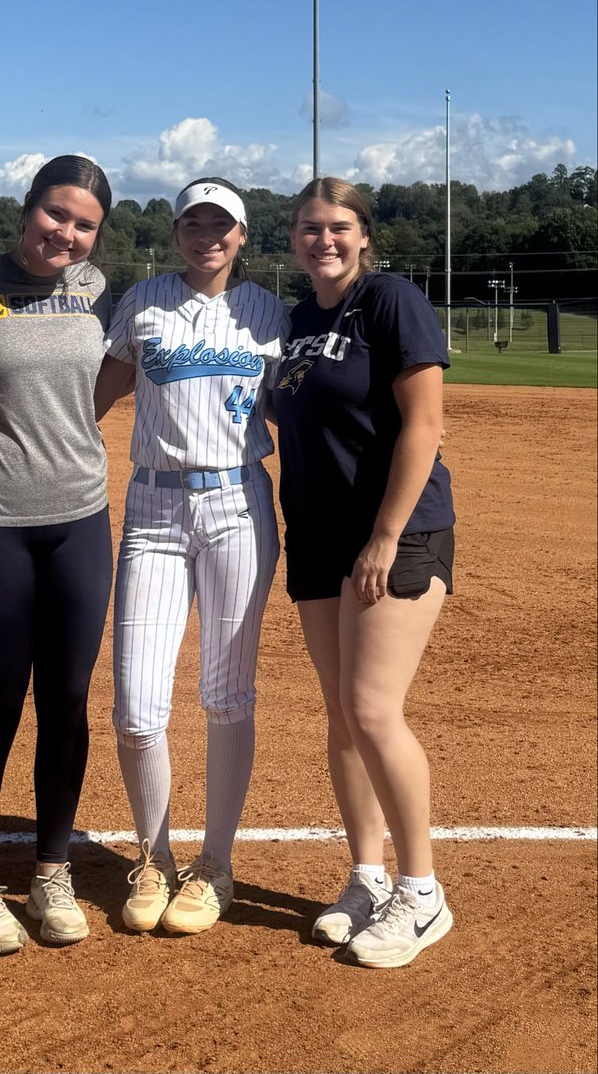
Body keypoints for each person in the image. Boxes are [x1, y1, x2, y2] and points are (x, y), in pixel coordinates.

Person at [94, 178, 290, 935]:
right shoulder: (143, 301)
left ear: (242, 235)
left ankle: (214, 862)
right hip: (152, 507)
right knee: (137, 711)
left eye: (222, 223)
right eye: (193, 221)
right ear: (176, 231)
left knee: (224, 697)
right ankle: (153, 856)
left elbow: (300, 408)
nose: (206, 233)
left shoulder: (268, 312)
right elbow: (97, 398)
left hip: (239, 505)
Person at [272, 177, 456, 968]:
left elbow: (424, 423)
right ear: (293, 240)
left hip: (393, 532)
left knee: (371, 708)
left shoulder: (389, 300)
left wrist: (383, 536)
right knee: (341, 717)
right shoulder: (295, 321)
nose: (324, 240)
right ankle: (366, 877)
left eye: (338, 227)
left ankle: (421, 893)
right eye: (310, 229)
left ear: (363, 234)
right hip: (314, 536)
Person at [0, 155, 114, 952]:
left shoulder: (93, 288)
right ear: (27, 210)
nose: (66, 233)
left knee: (68, 705)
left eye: (83, 224)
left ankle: (51, 870)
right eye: (56, 215)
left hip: (80, 520)